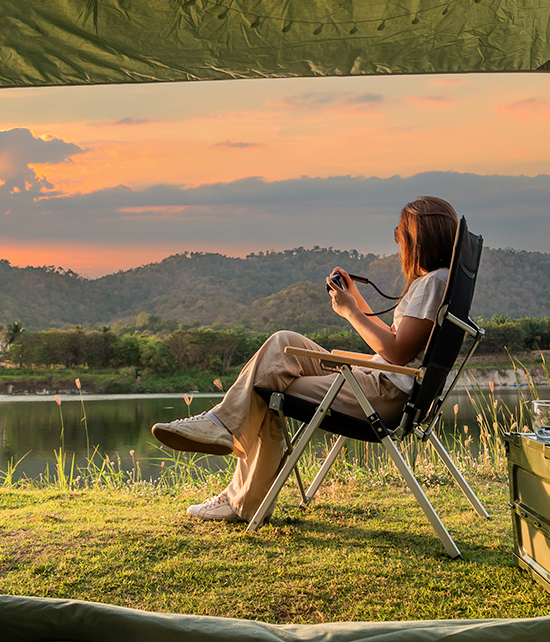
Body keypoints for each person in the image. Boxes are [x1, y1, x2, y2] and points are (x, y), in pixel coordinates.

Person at [150, 195, 459, 522]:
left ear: (418, 239)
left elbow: (397, 352)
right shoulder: (440, 281)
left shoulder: (432, 283)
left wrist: (351, 313)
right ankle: (223, 433)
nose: (397, 243)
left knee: (269, 386)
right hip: (376, 381)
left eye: (400, 235)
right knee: (283, 344)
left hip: (382, 392)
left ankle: (238, 489)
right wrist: (355, 300)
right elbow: (397, 343)